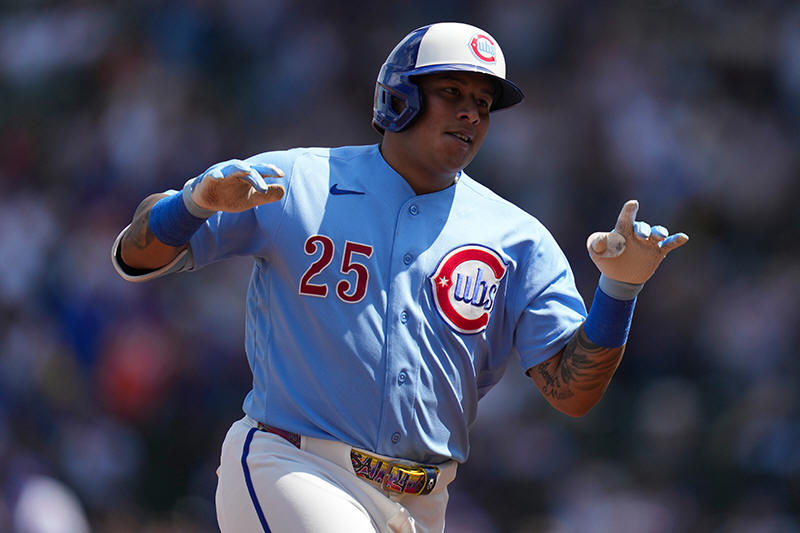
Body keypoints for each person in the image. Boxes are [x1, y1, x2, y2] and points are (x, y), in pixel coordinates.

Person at [111, 22, 688, 533]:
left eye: (483, 103)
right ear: (398, 98)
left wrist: (619, 290)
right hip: (294, 465)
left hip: (422, 503)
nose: (471, 114)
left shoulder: (518, 238)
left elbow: (572, 392)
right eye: (452, 93)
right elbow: (137, 255)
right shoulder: (297, 181)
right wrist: (192, 203)